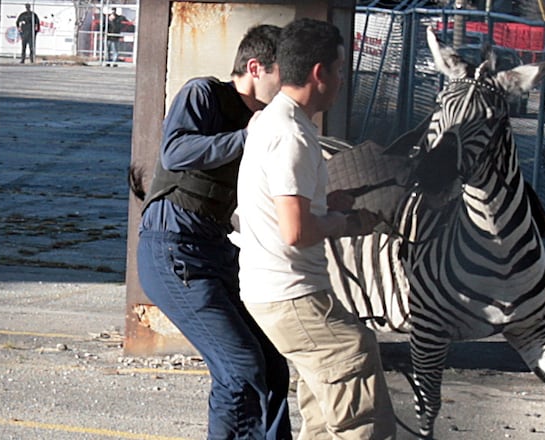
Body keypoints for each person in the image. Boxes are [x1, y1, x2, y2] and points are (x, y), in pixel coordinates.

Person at [237, 18, 396, 439]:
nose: (343, 80)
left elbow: (286, 206)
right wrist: (345, 222)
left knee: (324, 409)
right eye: (340, 69)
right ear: (319, 73)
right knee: (355, 366)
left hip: (274, 291)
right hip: (291, 292)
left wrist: (330, 202)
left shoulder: (275, 122)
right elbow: (296, 230)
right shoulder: (292, 135)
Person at [136, 24, 291, 440]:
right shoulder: (204, 94)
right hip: (174, 250)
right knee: (240, 367)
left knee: (272, 363)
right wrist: (246, 137)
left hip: (216, 250)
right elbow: (176, 150)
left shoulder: (264, 122)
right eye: (284, 73)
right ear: (255, 67)